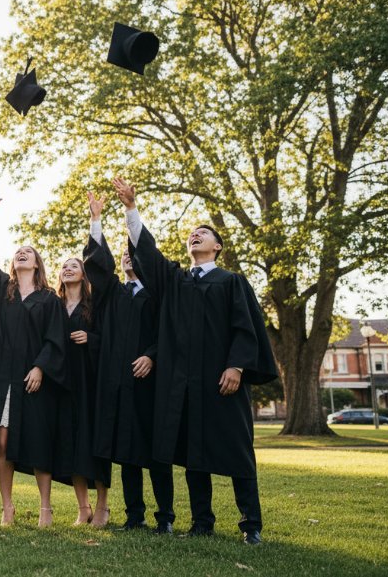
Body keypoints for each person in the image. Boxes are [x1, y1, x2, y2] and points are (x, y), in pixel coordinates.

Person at [113, 177, 278, 544]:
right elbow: (149, 256)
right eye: (192, 233)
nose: (196, 235)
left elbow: (245, 328)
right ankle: (202, 521)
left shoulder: (231, 282)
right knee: (192, 454)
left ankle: (251, 524)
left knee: (237, 451)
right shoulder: (176, 281)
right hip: (183, 385)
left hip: (221, 381)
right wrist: (131, 209)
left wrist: (236, 366)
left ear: (217, 247)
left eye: (204, 233)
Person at [0, 188, 66, 528]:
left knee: (39, 441)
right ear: (12, 263)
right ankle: (6, 507)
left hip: (33, 377)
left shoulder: (49, 299)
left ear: (38, 262)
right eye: (18, 253)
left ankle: (45, 508)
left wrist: (41, 366)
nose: (23, 255)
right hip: (1, 377)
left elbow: (56, 338)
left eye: (29, 253)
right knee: (1, 439)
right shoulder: (1, 291)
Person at [83, 191, 174, 534]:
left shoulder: (159, 294)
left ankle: (164, 517)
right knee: (128, 452)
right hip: (119, 384)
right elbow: (98, 264)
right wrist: (96, 220)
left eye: (132, 254)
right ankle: (134, 516)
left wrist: (152, 355)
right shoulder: (114, 294)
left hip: (150, 382)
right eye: (123, 255)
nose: (126, 258)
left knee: (155, 452)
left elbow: (170, 333)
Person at [54, 254, 113, 527]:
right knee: (69, 444)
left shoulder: (96, 304)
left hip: (90, 384)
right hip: (62, 384)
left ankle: (102, 506)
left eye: (74, 266)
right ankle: (83, 507)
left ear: (84, 274)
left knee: (93, 442)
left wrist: (91, 338)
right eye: (64, 266)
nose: (68, 269)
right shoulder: (54, 305)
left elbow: (110, 338)